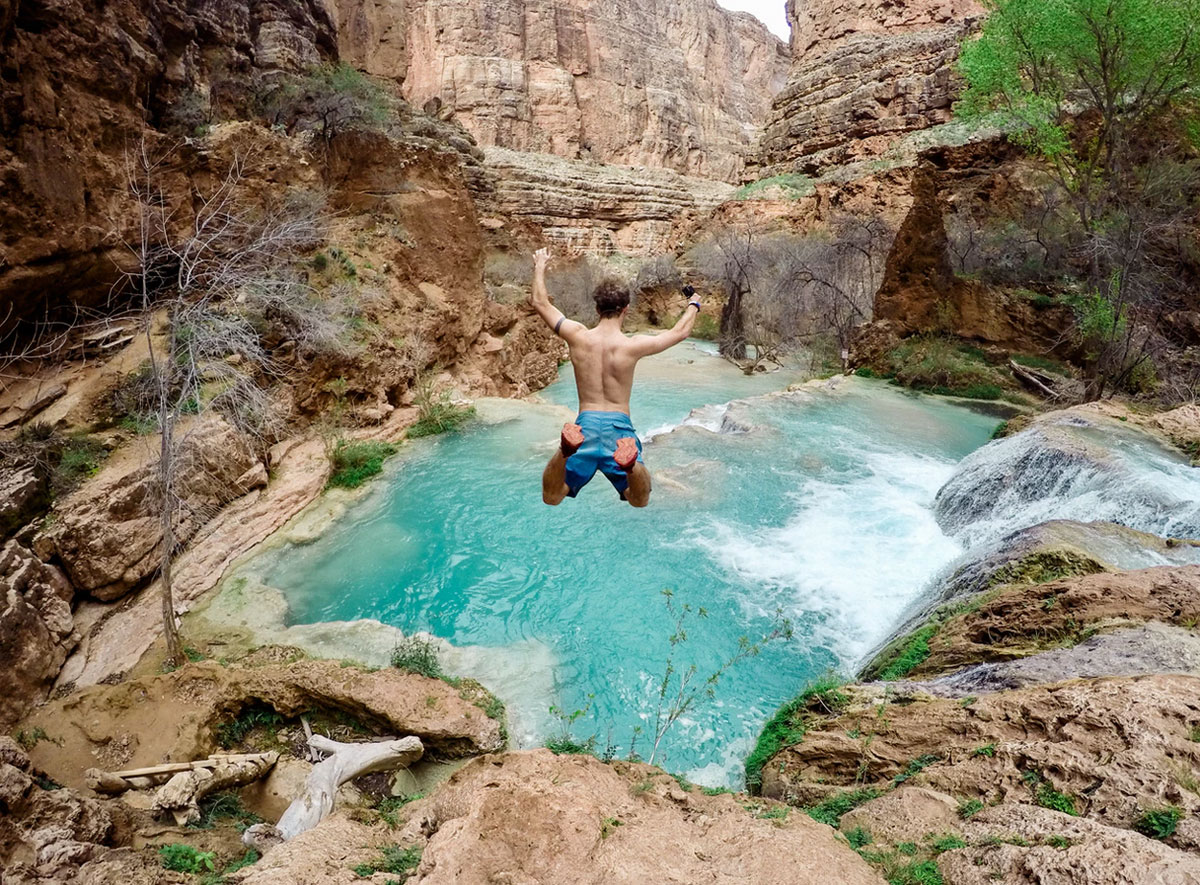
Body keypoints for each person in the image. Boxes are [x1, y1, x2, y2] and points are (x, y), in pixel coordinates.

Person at [528, 247, 702, 507]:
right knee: (639, 499)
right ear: (626, 309)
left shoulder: (576, 336)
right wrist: (694, 304)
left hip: (585, 426)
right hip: (619, 428)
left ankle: (565, 450)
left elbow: (540, 303)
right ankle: (630, 465)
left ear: (597, 308)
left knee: (552, 497)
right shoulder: (632, 345)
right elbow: (680, 332)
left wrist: (540, 265)